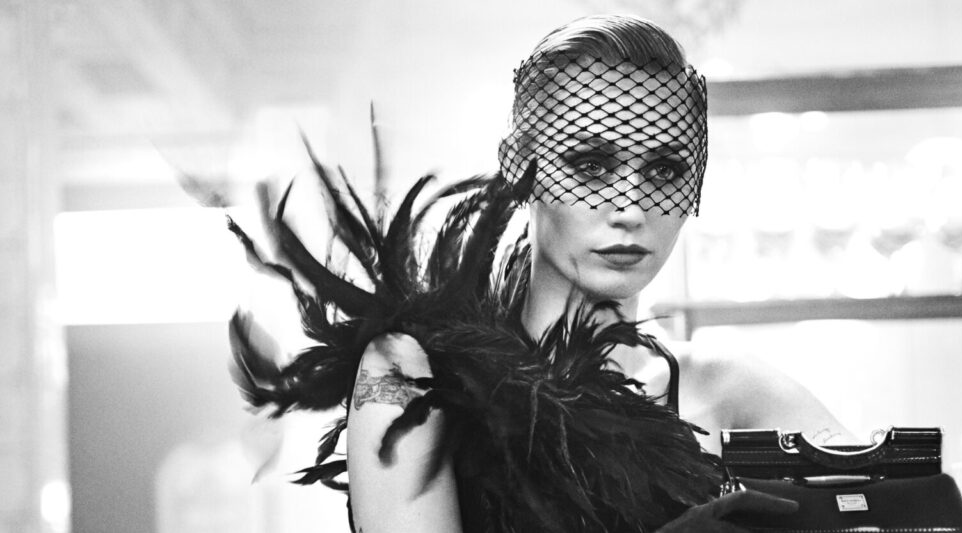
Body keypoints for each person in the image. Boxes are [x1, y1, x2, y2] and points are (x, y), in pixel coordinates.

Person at [227, 13, 854, 533]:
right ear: (518, 168)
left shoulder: (730, 387)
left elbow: (895, 502)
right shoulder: (411, 372)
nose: (631, 207)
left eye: (663, 170)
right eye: (591, 165)